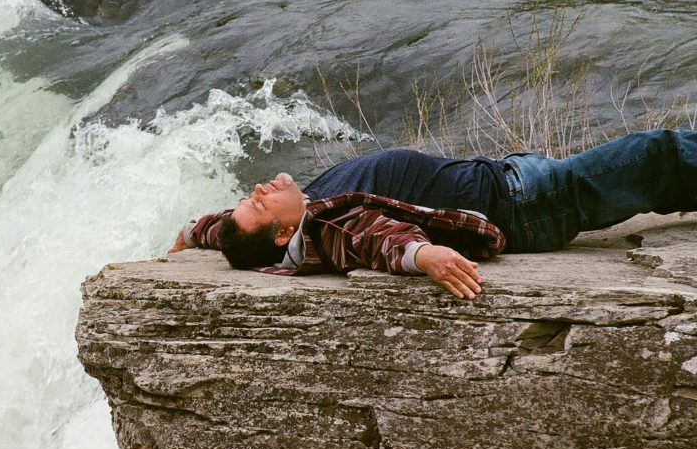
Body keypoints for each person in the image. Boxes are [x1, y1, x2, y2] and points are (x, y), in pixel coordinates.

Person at [168, 129, 697, 299]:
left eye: (251, 193)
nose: (260, 188)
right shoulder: (328, 225)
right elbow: (378, 237)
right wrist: (425, 256)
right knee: (661, 155)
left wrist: (192, 234)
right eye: (260, 201)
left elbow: (225, 230)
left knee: (660, 175)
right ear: (285, 230)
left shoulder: (291, 221)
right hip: (530, 202)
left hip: (513, 181)